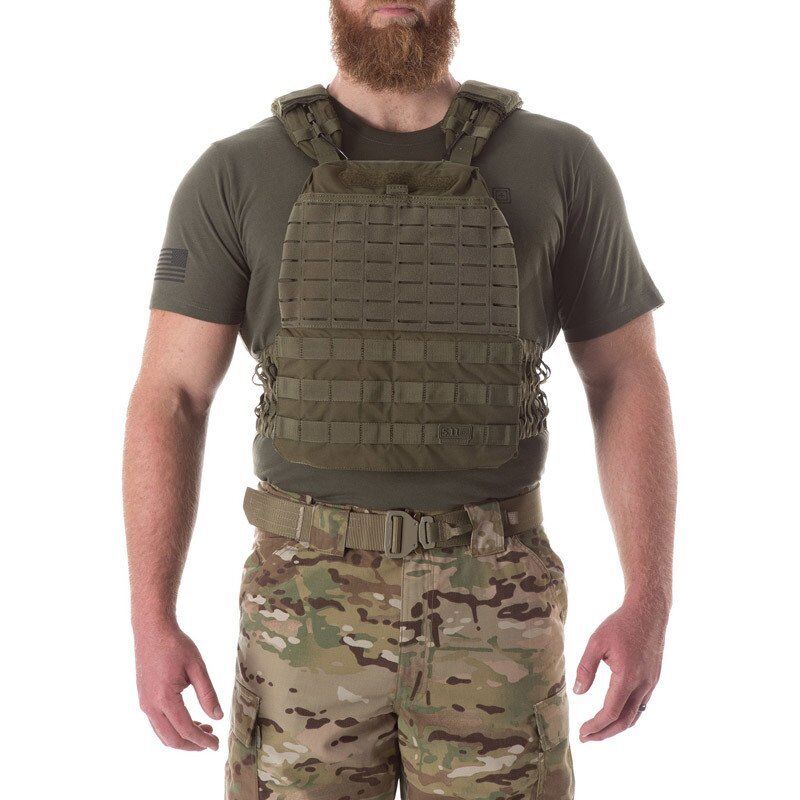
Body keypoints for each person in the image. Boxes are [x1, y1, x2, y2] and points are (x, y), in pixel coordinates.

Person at [123, 1, 676, 797]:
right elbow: (170, 395)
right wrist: (151, 619)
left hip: (497, 604)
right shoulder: (236, 173)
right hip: (302, 610)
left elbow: (627, 375)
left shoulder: (559, 162)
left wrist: (647, 601)